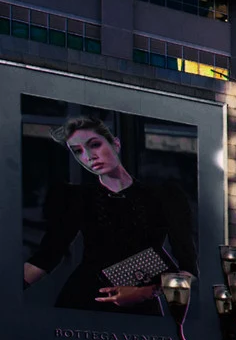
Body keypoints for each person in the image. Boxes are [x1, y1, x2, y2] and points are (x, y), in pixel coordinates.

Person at [23, 116, 197, 314]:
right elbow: (45, 258)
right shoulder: (78, 198)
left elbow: (188, 270)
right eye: (78, 151)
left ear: (116, 144)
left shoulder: (165, 196)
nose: (89, 156)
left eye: (94, 145)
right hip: (83, 302)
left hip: (140, 307)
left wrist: (145, 292)